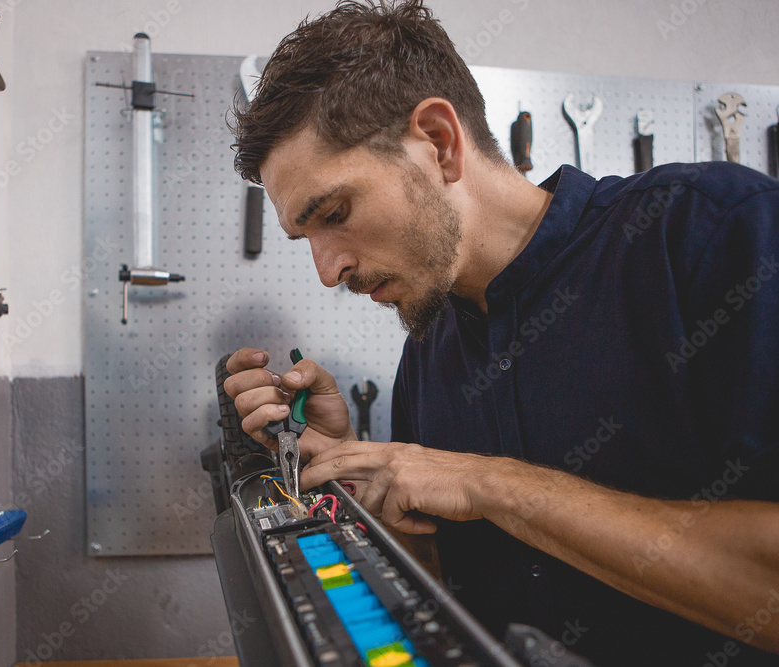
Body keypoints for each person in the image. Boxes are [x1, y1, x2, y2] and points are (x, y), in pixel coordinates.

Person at [222, 1, 779, 664]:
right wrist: (356, 480)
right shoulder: (428, 351)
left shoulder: (714, 236)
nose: (328, 270)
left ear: (439, 143)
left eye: (336, 212)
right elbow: (448, 587)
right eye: (305, 237)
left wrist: (493, 485)